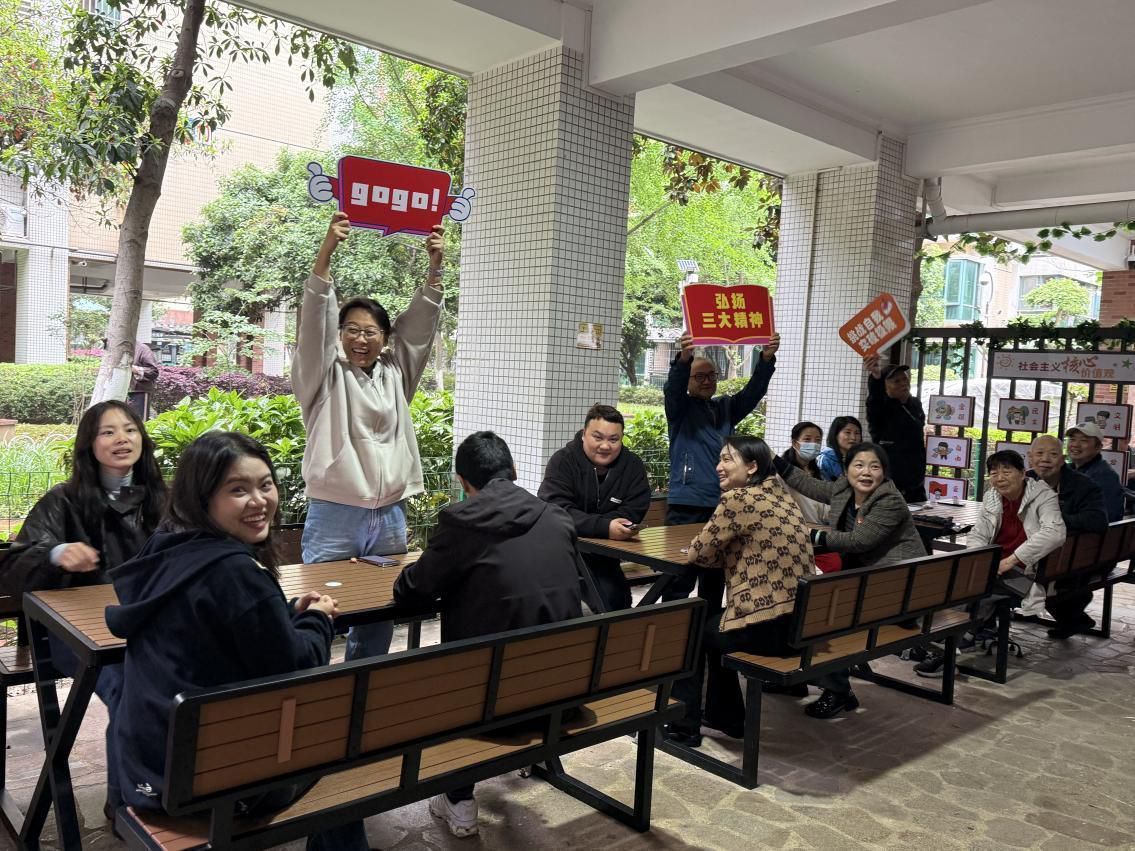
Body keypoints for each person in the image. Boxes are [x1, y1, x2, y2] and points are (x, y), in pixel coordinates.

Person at [106, 432, 367, 850]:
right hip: (212, 786)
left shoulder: (167, 548)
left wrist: (284, 615)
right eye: (238, 490)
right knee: (341, 742)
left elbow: (225, 634)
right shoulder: (234, 572)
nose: (259, 501)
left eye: (265, 485)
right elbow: (297, 668)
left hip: (149, 771)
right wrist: (318, 620)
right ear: (203, 497)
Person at [394, 431, 583, 837]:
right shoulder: (557, 518)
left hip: (490, 702)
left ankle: (459, 799)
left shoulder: (462, 522)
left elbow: (412, 590)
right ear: (513, 470)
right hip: (563, 692)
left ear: (463, 482)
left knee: (442, 677)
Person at [1, 400, 167, 822]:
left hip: (144, 628)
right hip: (69, 635)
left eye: (129, 429)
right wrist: (55, 553)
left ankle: (181, 789)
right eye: (107, 432)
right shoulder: (63, 501)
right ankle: (128, 804)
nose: (121, 439)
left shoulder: (162, 501)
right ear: (89, 444)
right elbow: (10, 566)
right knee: (131, 686)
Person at [293, 210, 445, 661]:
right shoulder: (321, 375)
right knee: (319, 610)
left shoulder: (396, 374)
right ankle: (312, 686)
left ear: (385, 338)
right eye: (352, 330)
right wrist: (326, 254)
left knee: (379, 613)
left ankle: (364, 687)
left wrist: (435, 270)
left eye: (371, 332)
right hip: (334, 513)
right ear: (339, 334)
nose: (361, 339)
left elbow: (419, 331)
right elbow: (313, 327)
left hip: (389, 514)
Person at [662, 436, 814, 747]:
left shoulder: (738, 499)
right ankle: (726, 716)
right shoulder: (783, 497)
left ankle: (682, 725)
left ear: (752, 466)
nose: (719, 467)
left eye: (727, 459)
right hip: (801, 627)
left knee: (692, 627)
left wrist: (705, 549)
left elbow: (699, 553)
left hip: (768, 629)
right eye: (719, 459)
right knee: (715, 625)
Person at [776, 442, 926, 716]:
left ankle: (838, 691)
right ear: (846, 470)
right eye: (859, 465)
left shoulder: (889, 500)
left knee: (824, 613)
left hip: (898, 589)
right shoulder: (844, 489)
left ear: (884, 472)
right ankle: (802, 679)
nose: (866, 472)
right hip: (871, 582)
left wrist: (811, 534)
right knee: (811, 603)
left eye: (874, 466)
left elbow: (859, 541)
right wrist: (775, 461)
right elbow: (809, 485)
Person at [914, 449, 1066, 677]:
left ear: (1023, 473)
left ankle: (947, 648)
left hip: (1026, 573)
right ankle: (952, 639)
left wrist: (1010, 561)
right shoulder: (993, 496)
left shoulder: (1043, 496)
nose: (1000, 478)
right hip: (995, 568)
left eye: (1007, 471)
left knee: (976, 591)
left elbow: (1055, 533)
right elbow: (979, 533)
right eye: (994, 473)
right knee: (954, 579)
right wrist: (979, 560)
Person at [662, 332, 781, 608]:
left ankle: (708, 630)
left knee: (714, 578)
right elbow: (673, 389)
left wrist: (766, 359)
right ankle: (671, 629)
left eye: (711, 376)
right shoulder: (679, 410)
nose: (707, 381)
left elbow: (753, 393)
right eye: (699, 377)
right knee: (679, 577)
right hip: (687, 504)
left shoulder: (726, 408)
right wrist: (683, 360)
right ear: (689, 381)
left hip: (723, 504)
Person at [538, 404, 651, 612]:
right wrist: (605, 527)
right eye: (597, 437)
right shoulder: (563, 461)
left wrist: (593, 525)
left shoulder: (632, 465)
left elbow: (635, 509)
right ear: (584, 434)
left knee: (617, 602)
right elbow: (557, 510)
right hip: (561, 557)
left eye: (613, 440)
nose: (605, 446)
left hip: (605, 559)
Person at [1028, 434, 1109, 639]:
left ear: (1062, 459)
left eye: (1053, 454)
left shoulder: (1083, 485)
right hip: (1048, 556)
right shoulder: (1024, 481)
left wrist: (1055, 518)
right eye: (1039, 453)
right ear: (1030, 458)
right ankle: (1074, 617)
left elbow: (1098, 520)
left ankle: (983, 628)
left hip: (1065, 560)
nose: (1045, 459)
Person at [864, 358, 927, 503]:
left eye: (905, 379)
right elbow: (875, 397)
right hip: (889, 483)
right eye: (896, 381)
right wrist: (876, 377)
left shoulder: (915, 404)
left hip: (916, 484)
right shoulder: (880, 408)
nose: (903, 383)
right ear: (885, 386)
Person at [780, 421, 839, 573]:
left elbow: (825, 510)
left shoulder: (819, 473)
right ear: (795, 443)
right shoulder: (781, 475)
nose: (813, 444)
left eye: (818, 440)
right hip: (794, 537)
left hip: (818, 535)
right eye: (807, 439)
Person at [1066, 421, 1124, 521]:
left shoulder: (1104, 476)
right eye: (1072, 439)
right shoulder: (1067, 470)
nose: (1075, 444)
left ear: (1098, 447)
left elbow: (1108, 517)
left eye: (1083, 440)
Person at [818, 416, 862, 482]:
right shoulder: (825, 460)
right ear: (835, 435)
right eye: (848, 432)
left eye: (857, 433)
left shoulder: (861, 459)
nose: (853, 437)